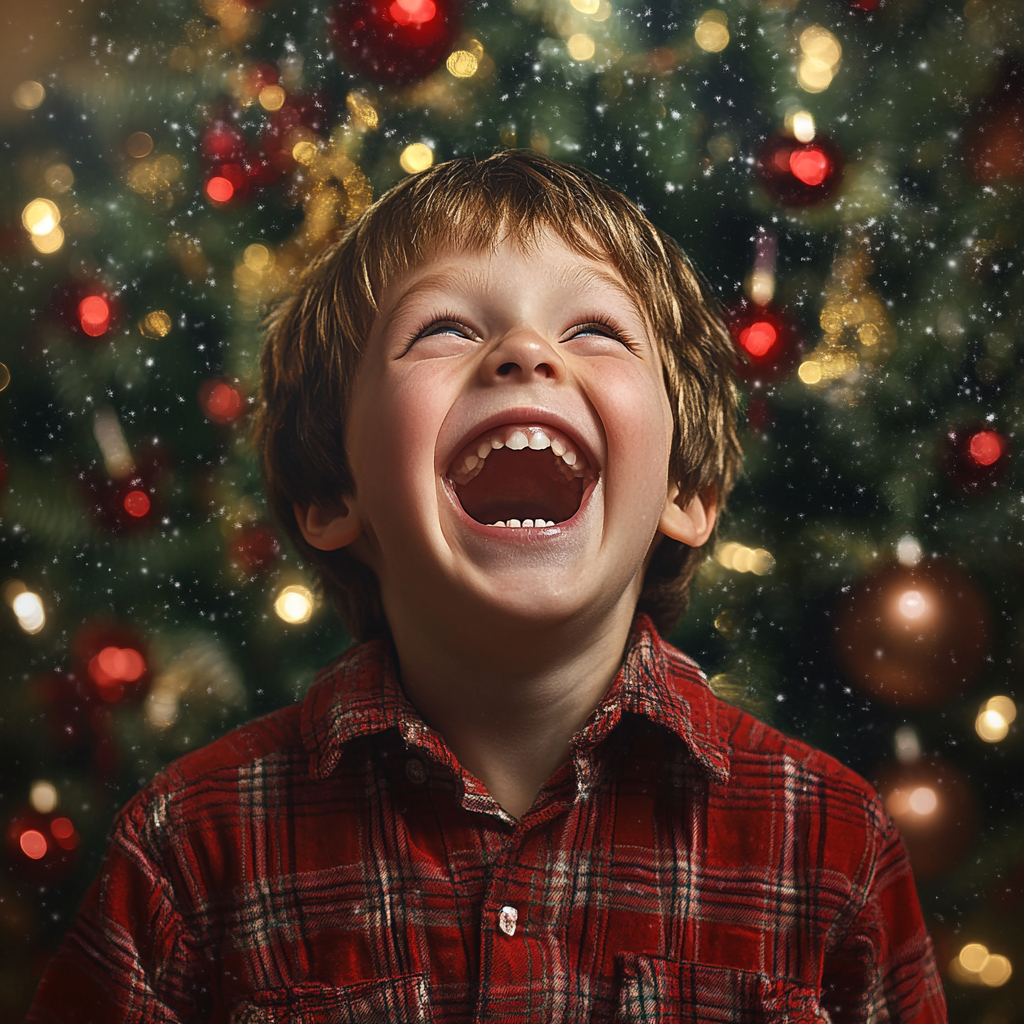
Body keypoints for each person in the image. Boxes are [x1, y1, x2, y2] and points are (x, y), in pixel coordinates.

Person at [26, 150, 946, 1023]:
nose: (525, 354)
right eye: (445, 330)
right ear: (332, 492)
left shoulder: (831, 846)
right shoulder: (189, 854)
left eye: (593, 330)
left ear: (685, 491)